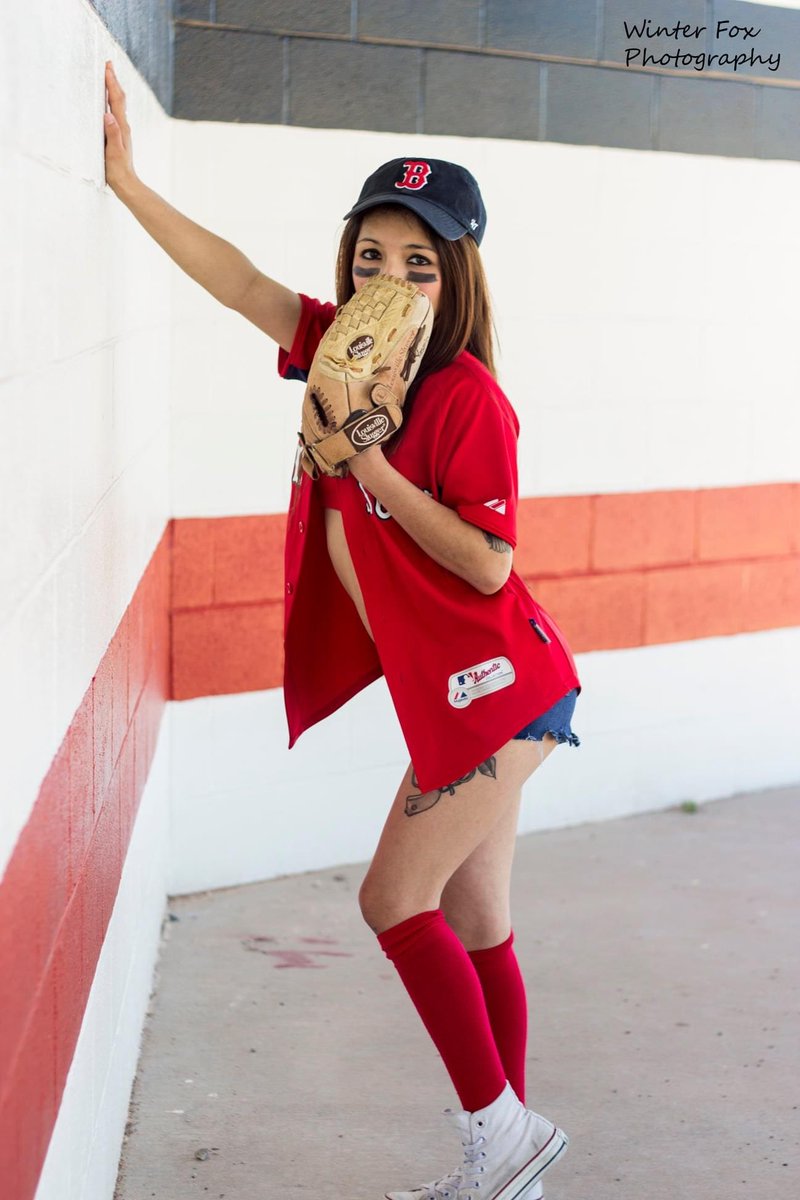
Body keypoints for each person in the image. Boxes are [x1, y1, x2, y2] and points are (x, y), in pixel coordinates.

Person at [103, 59, 581, 1200]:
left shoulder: (466, 396)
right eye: (370, 256)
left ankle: (502, 1136)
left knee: (388, 900)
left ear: (454, 279)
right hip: (470, 695)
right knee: (478, 926)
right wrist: (126, 181)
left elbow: (487, 558)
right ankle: (502, 1159)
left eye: (418, 264)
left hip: (500, 689)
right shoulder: (334, 355)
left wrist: (366, 463)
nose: (389, 279)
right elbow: (241, 283)